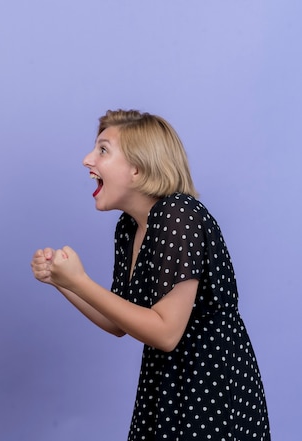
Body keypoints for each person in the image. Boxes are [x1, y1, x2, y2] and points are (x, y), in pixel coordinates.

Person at [30, 109, 270, 440]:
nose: (87, 159)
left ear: (137, 169)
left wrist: (80, 280)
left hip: (208, 389)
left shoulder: (178, 216)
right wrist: (64, 282)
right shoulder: (130, 226)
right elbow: (120, 322)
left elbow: (165, 333)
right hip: (166, 385)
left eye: (103, 149)